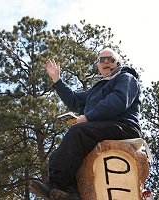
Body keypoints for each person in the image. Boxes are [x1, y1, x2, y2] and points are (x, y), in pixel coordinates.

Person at [30, 47, 142, 200]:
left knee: (78, 132)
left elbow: (118, 101)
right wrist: (57, 79)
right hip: (104, 128)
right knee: (59, 154)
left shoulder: (126, 78)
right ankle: (72, 194)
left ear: (117, 63)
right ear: (98, 65)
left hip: (124, 127)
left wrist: (88, 117)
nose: (106, 62)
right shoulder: (97, 88)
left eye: (110, 59)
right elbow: (74, 100)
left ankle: (56, 185)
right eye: (102, 60)